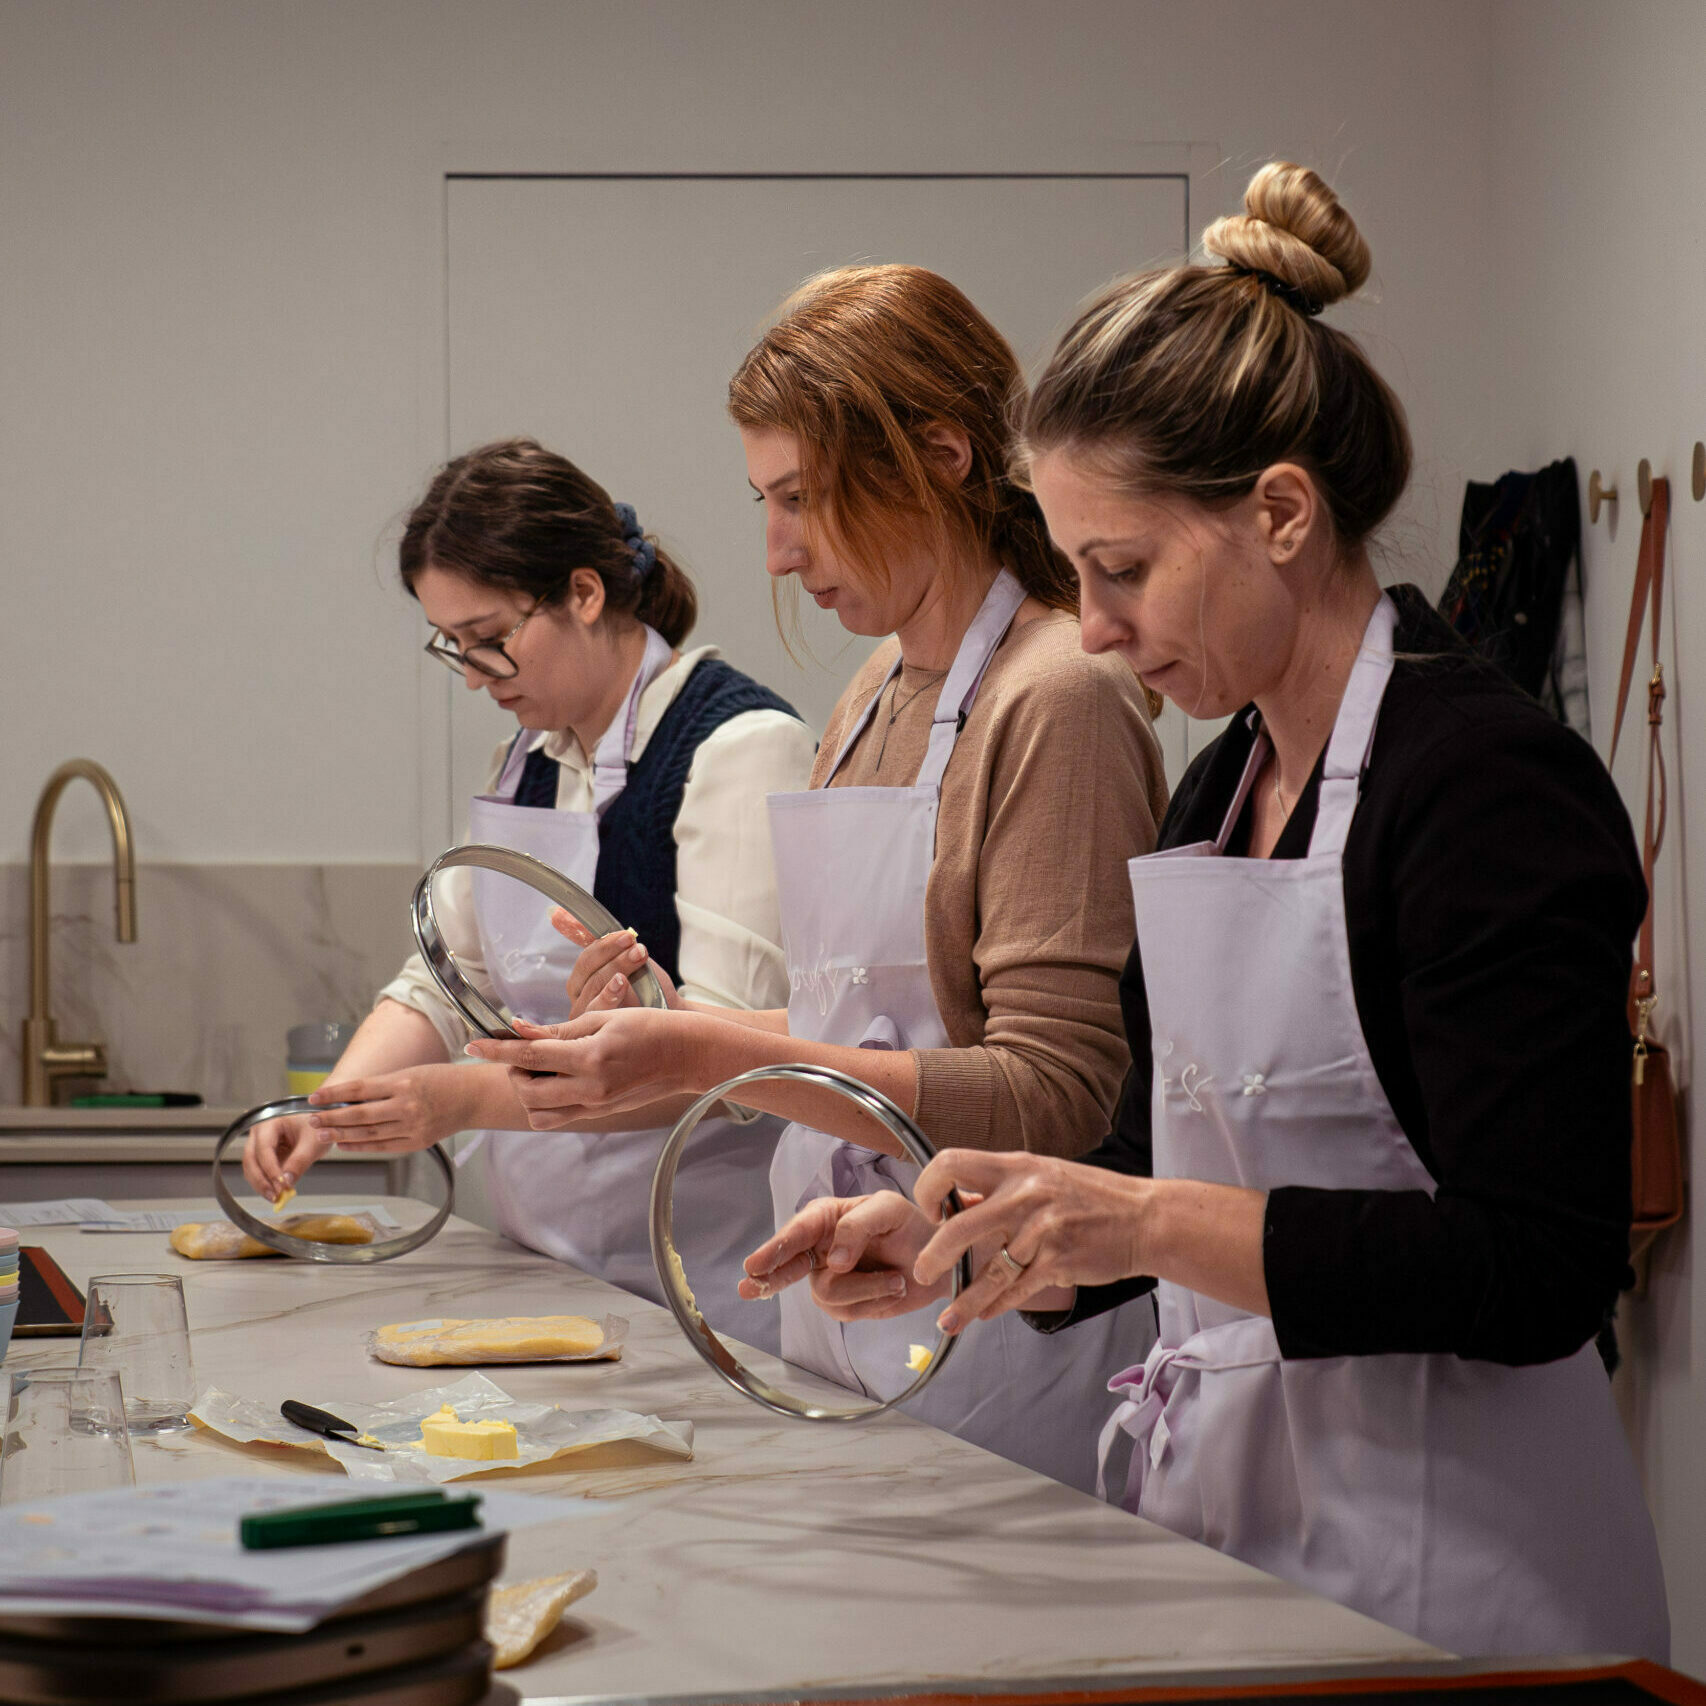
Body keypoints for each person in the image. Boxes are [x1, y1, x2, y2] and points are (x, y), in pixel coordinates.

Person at [739, 166, 1670, 1661]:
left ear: (1281, 514)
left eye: (1120, 570)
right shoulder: (1219, 789)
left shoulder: (1486, 787)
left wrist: (1142, 1220)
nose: (1094, 626)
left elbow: (1536, 1262)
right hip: (1244, 1544)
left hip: (1459, 1578)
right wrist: (961, 1229)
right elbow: (1138, 1152)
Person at [470, 266, 1169, 1494]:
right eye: (764, 502)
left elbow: (1053, 1096)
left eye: (803, 498)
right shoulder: (867, 696)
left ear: (942, 455)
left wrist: (705, 1058)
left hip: (1001, 1348)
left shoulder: (1057, 691)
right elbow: (870, 1029)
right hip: (845, 1314)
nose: (780, 554)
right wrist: (687, 1021)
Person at [243, 438, 815, 1341]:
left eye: (491, 641)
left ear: (584, 594)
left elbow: (725, 1065)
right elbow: (448, 975)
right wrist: (329, 1111)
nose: (474, 677)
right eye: (453, 646)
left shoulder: (738, 748)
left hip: (703, 1274)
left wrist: (459, 1100)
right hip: (544, 1258)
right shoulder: (528, 759)